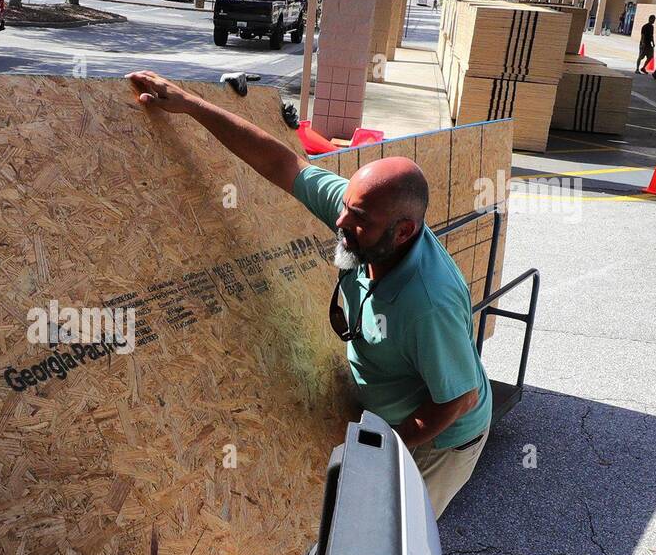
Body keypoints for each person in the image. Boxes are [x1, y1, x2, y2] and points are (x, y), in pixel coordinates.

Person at [126, 70, 491, 520]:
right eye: (345, 208)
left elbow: (459, 399)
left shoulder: (428, 303)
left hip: (440, 438)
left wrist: (381, 446)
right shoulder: (363, 215)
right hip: (389, 400)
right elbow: (283, 163)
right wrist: (191, 104)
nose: (340, 223)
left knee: (393, 538)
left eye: (357, 218)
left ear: (403, 232)